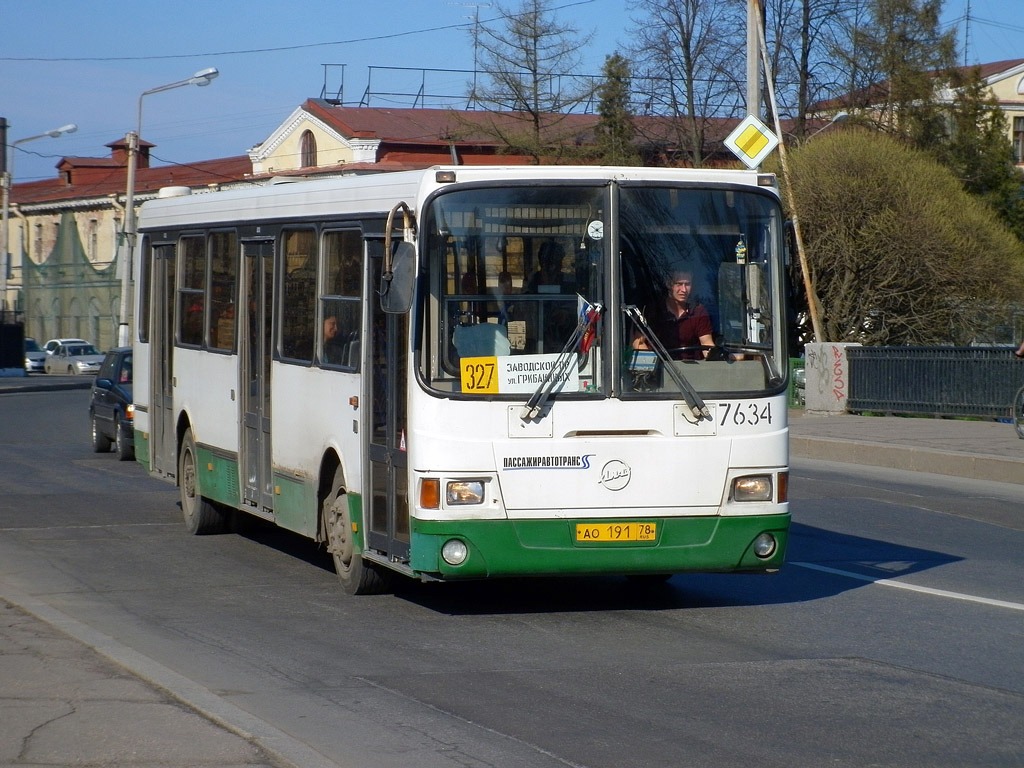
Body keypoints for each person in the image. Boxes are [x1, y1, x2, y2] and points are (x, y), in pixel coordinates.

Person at [633, 265, 714, 360]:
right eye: (679, 284)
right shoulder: (653, 310)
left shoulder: (698, 311)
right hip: (658, 369)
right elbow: (638, 343)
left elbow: (707, 344)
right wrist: (651, 364)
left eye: (687, 284)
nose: (684, 290)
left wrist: (715, 358)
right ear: (669, 284)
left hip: (692, 370)